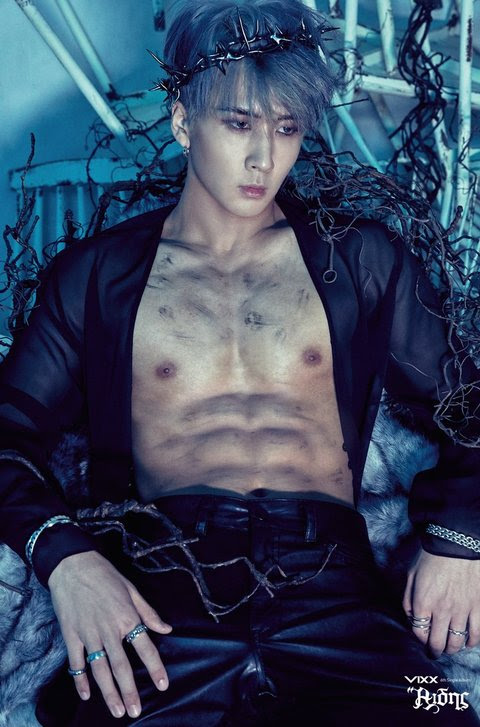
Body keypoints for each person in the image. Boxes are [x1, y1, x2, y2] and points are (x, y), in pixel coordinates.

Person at [1, 1, 480, 724]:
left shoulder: (359, 259)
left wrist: (459, 537)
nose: (264, 158)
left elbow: (468, 404)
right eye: (238, 124)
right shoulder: (98, 276)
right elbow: (7, 434)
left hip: (337, 598)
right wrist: (65, 558)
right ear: (182, 120)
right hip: (160, 601)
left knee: (442, 709)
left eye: (286, 128)